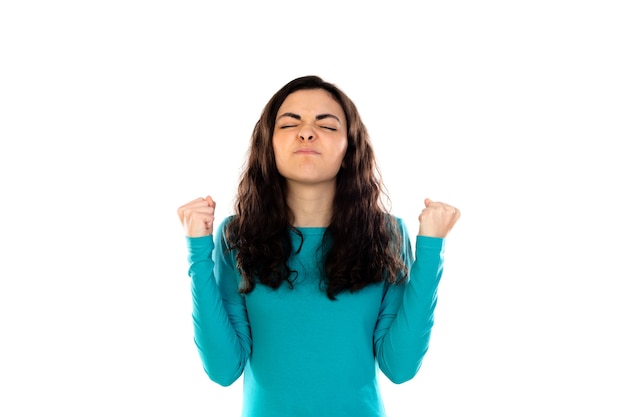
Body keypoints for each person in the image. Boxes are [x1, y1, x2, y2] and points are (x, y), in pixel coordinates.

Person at [177, 75, 460, 417]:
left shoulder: (386, 233)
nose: (307, 132)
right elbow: (223, 370)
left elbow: (399, 368)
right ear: (270, 145)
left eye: (325, 125)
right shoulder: (236, 236)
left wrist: (431, 248)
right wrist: (198, 250)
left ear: (348, 148)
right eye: (290, 123)